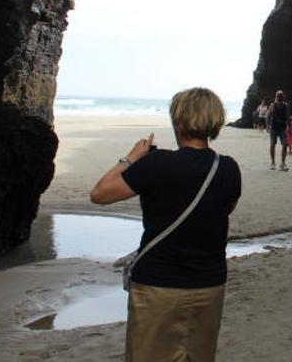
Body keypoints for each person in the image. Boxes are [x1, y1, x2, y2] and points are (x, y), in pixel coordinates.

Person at [90, 87, 241, 362]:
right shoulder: (228, 168)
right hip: (209, 285)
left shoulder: (157, 164)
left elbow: (100, 194)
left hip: (158, 286)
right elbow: (224, 210)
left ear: (179, 121)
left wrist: (132, 157)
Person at [266, 90, 290, 171]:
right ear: (276, 97)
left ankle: (283, 163)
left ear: (283, 97)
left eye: (281, 96)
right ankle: (273, 163)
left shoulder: (286, 106)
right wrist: (267, 126)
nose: (279, 97)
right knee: (273, 144)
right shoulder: (272, 105)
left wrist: (289, 127)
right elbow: (268, 116)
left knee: (285, 144)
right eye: (278, 96)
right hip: (274, 128)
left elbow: (287, 117)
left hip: (282, 128)